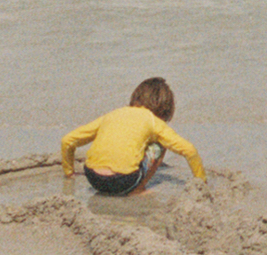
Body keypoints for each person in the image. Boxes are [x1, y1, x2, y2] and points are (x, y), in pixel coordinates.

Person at [61, 76, 204, 197]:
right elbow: (189, 150)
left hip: (94, 179)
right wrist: (201, 182)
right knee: (161, 144)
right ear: (166, 108)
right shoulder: (154, 122)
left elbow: (68, 141)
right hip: (123, 181)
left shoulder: (112, 115)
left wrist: (69, 173)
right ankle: (138, 189)